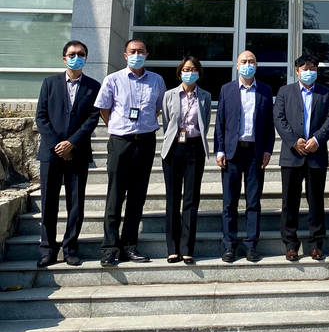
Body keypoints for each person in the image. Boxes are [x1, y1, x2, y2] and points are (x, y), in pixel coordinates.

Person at [95, 39, 166, 267]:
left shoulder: (157, 80)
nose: (137, 54)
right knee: (115, 196)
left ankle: (129, 247)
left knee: (137, 197)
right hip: (120, 142)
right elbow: (104, 109)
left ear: (147, 54)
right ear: (125, 55)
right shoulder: (113, 79)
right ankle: (109, 248)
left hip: (145, 142)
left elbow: (158, 108)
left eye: (141, 51)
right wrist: (118, 127)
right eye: (132, 51)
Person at [35, 41, 101, 267]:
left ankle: (71, 249)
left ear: (86, 58)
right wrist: (57, 145)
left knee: (76, 204)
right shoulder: (49, 83)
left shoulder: (93, 86)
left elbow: (93, 118)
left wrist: (71, 143)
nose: (76, 57)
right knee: (48, 203)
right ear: (64, 58)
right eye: (72, 54)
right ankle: (47, 250)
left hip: (77, 153)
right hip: (51, 154)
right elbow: (41, 116)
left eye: (80, 54)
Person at [274, 53, 329, 261]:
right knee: (289, 202)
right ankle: (290, 244)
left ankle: (316, 244)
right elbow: (279, 118)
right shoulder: (284, 92)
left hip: (316, 155)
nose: (309, 72)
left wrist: (317, 139)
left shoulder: (325, 93)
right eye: (305, 68)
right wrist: (294, 141)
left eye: (312, 68)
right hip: (292, 155)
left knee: (316, 201)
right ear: (297, 71)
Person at [214, 50, 275, 263]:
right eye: (244, 61)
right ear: (237, 65)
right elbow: (220, 123)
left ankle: (251, 245)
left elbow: (269, 124)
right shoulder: (227, 89)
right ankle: (229, 245)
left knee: (253, 201)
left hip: (255, 153)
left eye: (251, 61)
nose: (248, 64)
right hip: (232, 153)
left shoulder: (265, 90)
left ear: (256, 65)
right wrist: (220, 150)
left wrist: (268, 149)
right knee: (229, 202)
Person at [161, 57, 212, 264]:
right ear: (179, 72)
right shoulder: (169, 95)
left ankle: (187, 248)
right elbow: (166, 122)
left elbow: (205, 122)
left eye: (193, 69)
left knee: (191, 199)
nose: (189, 73)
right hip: (174, 147)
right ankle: (172, 248)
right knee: (173, 198)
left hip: (195, 147)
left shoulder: (205, 96)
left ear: (199, 72)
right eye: (186, 69)